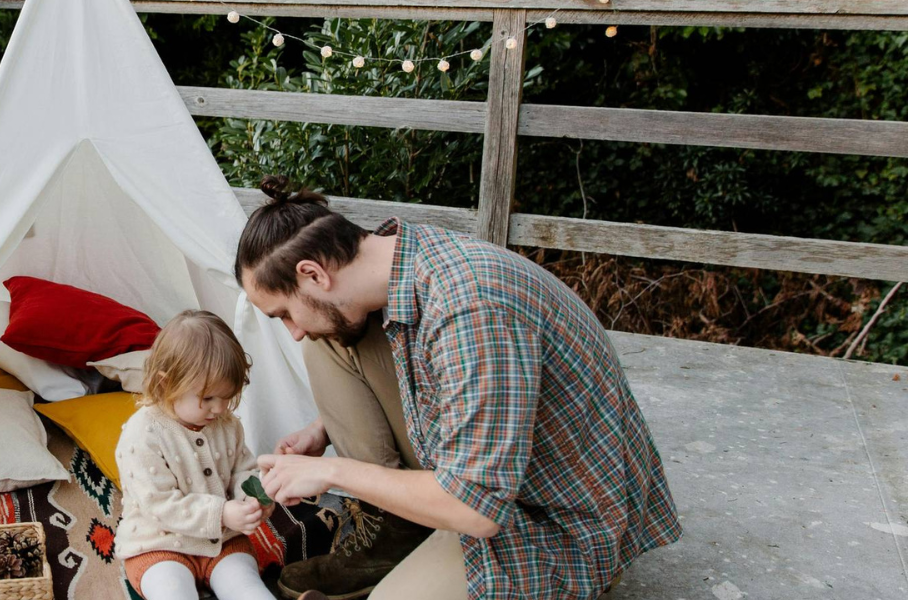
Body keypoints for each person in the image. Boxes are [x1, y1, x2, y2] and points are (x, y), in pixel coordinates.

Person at [235, 176, 681, 599]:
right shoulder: (402, 258)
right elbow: (431, 374)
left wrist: (333, 471)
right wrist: (324, 429)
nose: (292, 331)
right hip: (492, 478)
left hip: (551, 524)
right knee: (327, 340)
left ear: (314, 274)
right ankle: (402, 524)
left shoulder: (470, 308)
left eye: (285, 313)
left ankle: (423, 527)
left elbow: (479, 509)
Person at [113, 310, 278, 600]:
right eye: (209, 399)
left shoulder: (227, 425)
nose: (220, 409)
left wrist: (252, 498)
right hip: (158, 545)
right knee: (172, 591)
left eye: (227, 397)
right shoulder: (142, 435)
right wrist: (222, 513)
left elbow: (243, 470)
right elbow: (159, 504)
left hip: (223, 542)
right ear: (166, 384)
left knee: (246, 587)